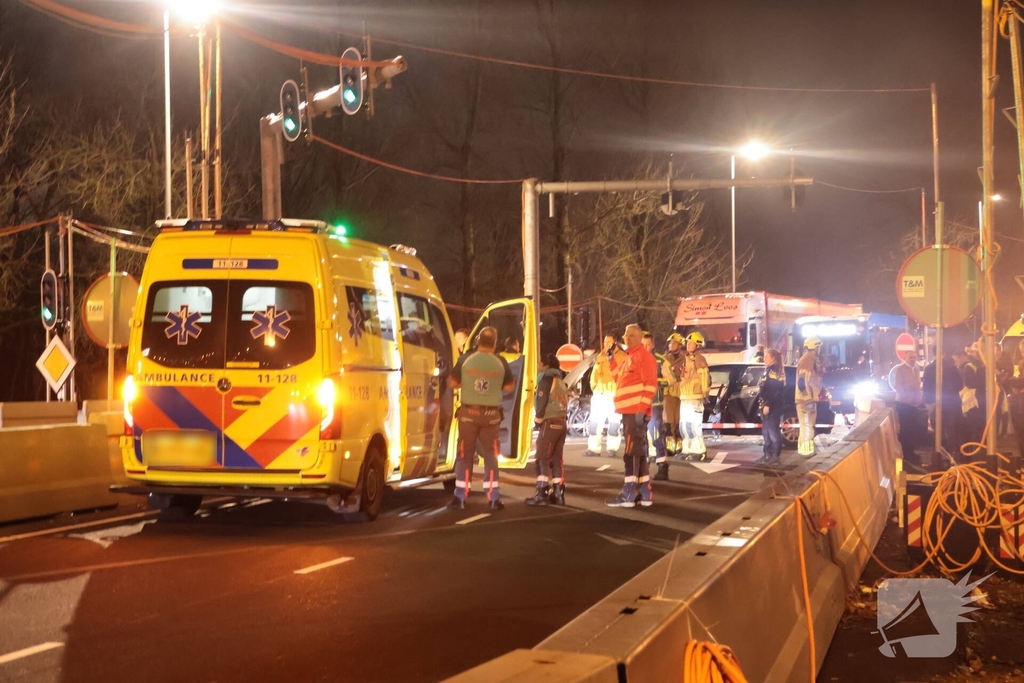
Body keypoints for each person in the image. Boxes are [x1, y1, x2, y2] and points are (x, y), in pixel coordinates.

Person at [447, 325, 514, 511]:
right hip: (491, 416)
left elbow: (452, 383)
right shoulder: (501, 362)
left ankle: (460, 497)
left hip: (469, 415)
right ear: (494, 342)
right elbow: (509, 387)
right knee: (491, 456)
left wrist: (467, 384)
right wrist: (494, 385)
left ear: (477, 341)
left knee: (464, 455)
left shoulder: (466, 359)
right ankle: (493, 498)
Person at [605, 324, 659, 508]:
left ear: (638, 337)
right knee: (639, 453)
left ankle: (628, 493)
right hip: (629, 412)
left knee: (631, 453)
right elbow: (618, 380)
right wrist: (611, 360)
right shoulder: (630, 358)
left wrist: (641, 410)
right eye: (625, 335)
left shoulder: (643, 357)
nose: (626, 338)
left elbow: (651, 385)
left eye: (630, 335)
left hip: (634, 412)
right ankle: (645, 492)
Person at [526, 352, 570, 506]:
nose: (538, 366)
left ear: (545, 365)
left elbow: (541, 401)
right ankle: (558, 492)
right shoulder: (560, 381)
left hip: (549, 423)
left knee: (541, 458)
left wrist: (537, 420)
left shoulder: (545, 380)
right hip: (562, 423)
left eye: (539, 363)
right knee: (557, 459)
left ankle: (542, 491)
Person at [584, 334, 627, 457]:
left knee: (614, 423)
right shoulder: (600, 356)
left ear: (615, 343)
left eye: (609, 342)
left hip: (614, 394)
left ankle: (612, 448)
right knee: (595, 423)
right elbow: (595, 373)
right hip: (599, 394)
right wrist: (594, 387)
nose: (606, 344)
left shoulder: (622, 356)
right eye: (605, 342)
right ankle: (593, 448)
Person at [922, 352, 964, 458]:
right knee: (952, 429)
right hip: (952, 402)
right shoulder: (952, 367)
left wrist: (929, 401)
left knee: (938, 429)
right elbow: (960, 385)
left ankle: (938, 453)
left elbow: (926, 387)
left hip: (938, 403)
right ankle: (953, 453)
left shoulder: (929, 369)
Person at [677, 332, 711, 461]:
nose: (688, 345)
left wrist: (705, 393)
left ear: (697, 345)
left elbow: (705, 377)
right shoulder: (686, 358)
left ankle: (699, 450)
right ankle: (687, 449)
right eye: (687, 343)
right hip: (685, 396)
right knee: (684, 426)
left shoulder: (699, 359)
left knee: (693, 426)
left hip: (695, 396)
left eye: (691, 343)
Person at [642, 332, 670, 480]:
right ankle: (643, 468)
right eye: (643, 345)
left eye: (648, 344)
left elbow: (670, 380)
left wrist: (654, 381)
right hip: (639, 405)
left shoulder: (661, 361)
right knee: (641, 438)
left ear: (653, 345)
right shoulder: (635, 359)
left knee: (656, 436)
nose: (645, 347)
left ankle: (662, 467)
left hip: (655, 404)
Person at [892, 349, 924, 465]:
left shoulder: (916, 369)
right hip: (904, 404)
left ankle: (911, 452)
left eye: (914, 357)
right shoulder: (900, 369)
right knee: (905, 429)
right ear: (905, 358)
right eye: (911, 357)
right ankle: (905, 453)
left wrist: (918, 397)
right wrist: (907, 396)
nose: (913, 359)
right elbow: (897, 385)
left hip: (914, 404)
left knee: (912, 429)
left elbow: (917, 384)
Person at [755, 348, 786, 466]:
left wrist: (768, 404)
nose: (764, 359)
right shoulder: (768, 370)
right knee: (766, 432)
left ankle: (775, 456)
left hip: (773, 406)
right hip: (765, 404)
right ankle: (767, 454)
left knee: (773, 432)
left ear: (773, 359)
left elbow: (774, 390)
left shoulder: (775, 371)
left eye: (766, 357)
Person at [953, 348, 986, 454]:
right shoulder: (978, 365)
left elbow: (969, 384)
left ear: (963, 357)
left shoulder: (968, 367)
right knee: (978, 432)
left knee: (974, 432)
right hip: (978, 403)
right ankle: (977, 454)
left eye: (956, 360)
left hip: (972, 405)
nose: (955, 363)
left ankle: (973, 455)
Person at [795, 337, 823, 457]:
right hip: (805, 401)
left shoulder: (812, 360)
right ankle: (806, 452)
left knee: (808, 426)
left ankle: (804, 450)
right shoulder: (806, 361)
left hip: (810, 400)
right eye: (818, 347)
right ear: (815, 347)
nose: (819, 349)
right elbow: (801, 383)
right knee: (807, 426)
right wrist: (808, 399)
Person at [661, 333, 686, 458]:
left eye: (674, 343)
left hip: (681, 393)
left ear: (680, 345)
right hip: (668, 392)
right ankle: (670, 448)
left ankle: (679, 447)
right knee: (668, 421)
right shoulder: (664, 358)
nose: (671, 345)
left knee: (678, 422)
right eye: (670, 343)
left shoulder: (685, 359)